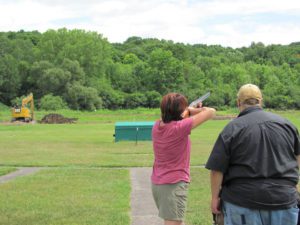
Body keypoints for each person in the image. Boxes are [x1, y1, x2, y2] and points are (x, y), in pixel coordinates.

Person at [206, 84, 300, 225]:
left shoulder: (232, 128)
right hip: (284, 199)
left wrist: (214, 199)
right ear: (260, 101)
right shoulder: (287, 125)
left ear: (238, 103)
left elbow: (217, 170)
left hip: (241, 201)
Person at [151, 92, 216, 225]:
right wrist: (193, 110)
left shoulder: (156, 126)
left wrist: (186, 111)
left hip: (158, 184)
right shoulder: (179, 128)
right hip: (173, 184)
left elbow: (171, 120)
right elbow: (211, 112)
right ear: (180, 111)